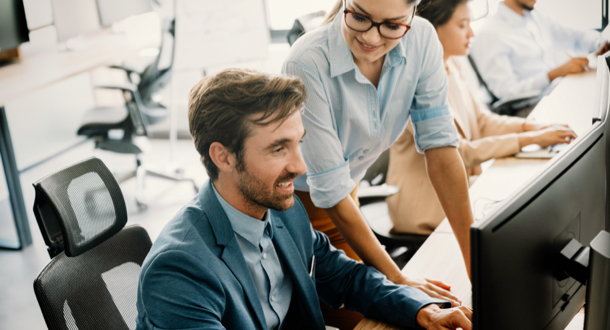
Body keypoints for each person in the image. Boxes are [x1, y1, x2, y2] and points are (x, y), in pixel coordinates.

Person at [134, 68, 473, 330]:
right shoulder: (179, 270)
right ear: (223, 157)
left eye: (298, 143)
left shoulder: (283, 210)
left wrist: (420, 309)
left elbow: (344, 277)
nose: (299, 166)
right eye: (278, 148)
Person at [282, 2, 474, 324]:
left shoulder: (422, 39)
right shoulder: (306, 61)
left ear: (413, 13)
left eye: (392, 25)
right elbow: (330, 193)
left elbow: (441, 149)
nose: (371, 37)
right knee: (383, 317)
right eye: (359, 17)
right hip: (295, 217)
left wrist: (475, 265)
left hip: (348, 206)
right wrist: (398, 280)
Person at [385, 0, 578, 235]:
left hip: (460, 189)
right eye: (462, 25)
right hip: (425, 206)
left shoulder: (451, 64)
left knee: (534, 193)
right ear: (431, 29)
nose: (472, 33)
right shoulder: (410, 81)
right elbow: (456, 153)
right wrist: (530, 139)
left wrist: (530, 126)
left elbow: (482, 121)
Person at [470, 0, 609, 112]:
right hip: (531, 109)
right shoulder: (489, 34)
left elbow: (575, 37)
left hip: (559, 94)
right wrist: (553, 74)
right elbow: (506, 93)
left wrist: (599, 43)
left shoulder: (535, 17)